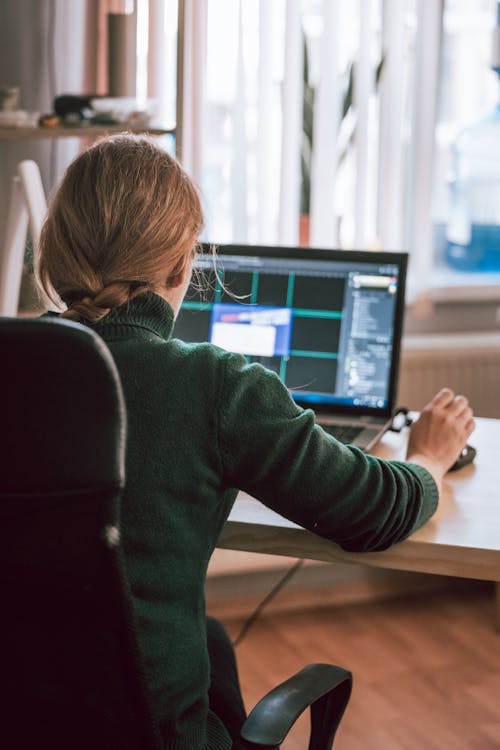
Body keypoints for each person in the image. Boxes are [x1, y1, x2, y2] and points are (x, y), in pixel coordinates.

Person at [38, 135, 474, 750]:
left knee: (211, 638)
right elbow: (374, 511)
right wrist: (428, 455)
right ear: (182, 264)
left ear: (56, 248)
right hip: (154, 738)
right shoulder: (213, 385)